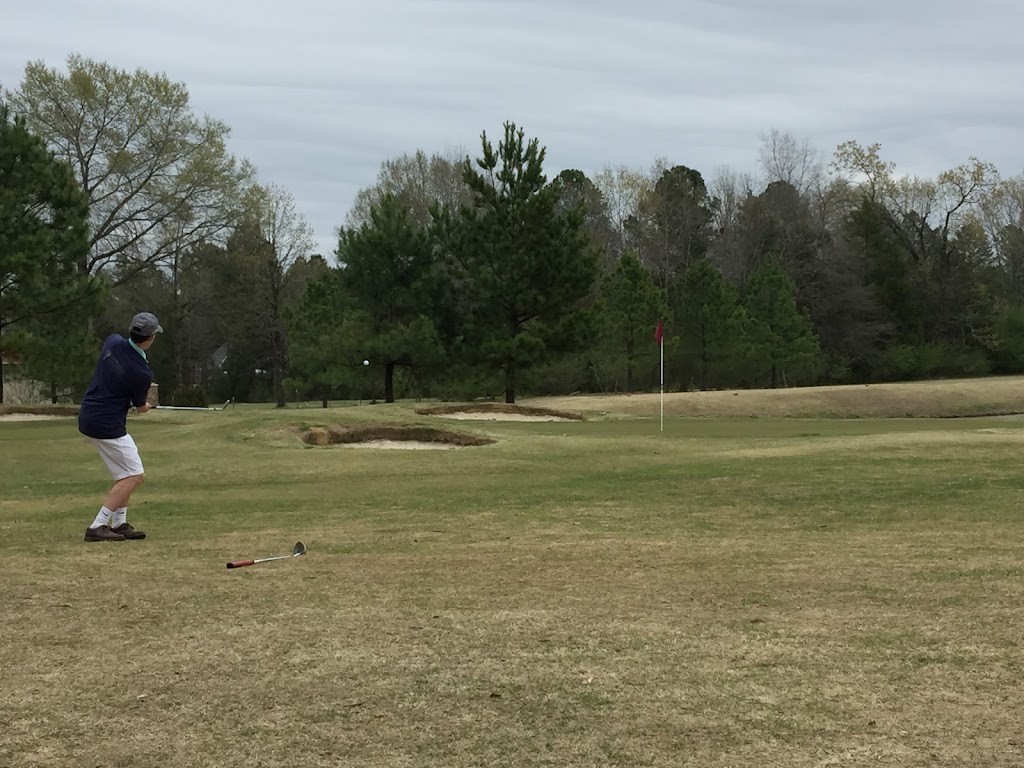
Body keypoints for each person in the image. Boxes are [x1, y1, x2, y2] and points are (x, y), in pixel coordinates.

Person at [78, 312, 162, 542]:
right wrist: (149, 405)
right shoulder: (142, 372)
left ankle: (120, 523)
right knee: (135, 475)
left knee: (123, 474)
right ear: (150, 338)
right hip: (107, 424)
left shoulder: (112, 342)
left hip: (90, 415)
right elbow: (140, 407)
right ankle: (98, 525)